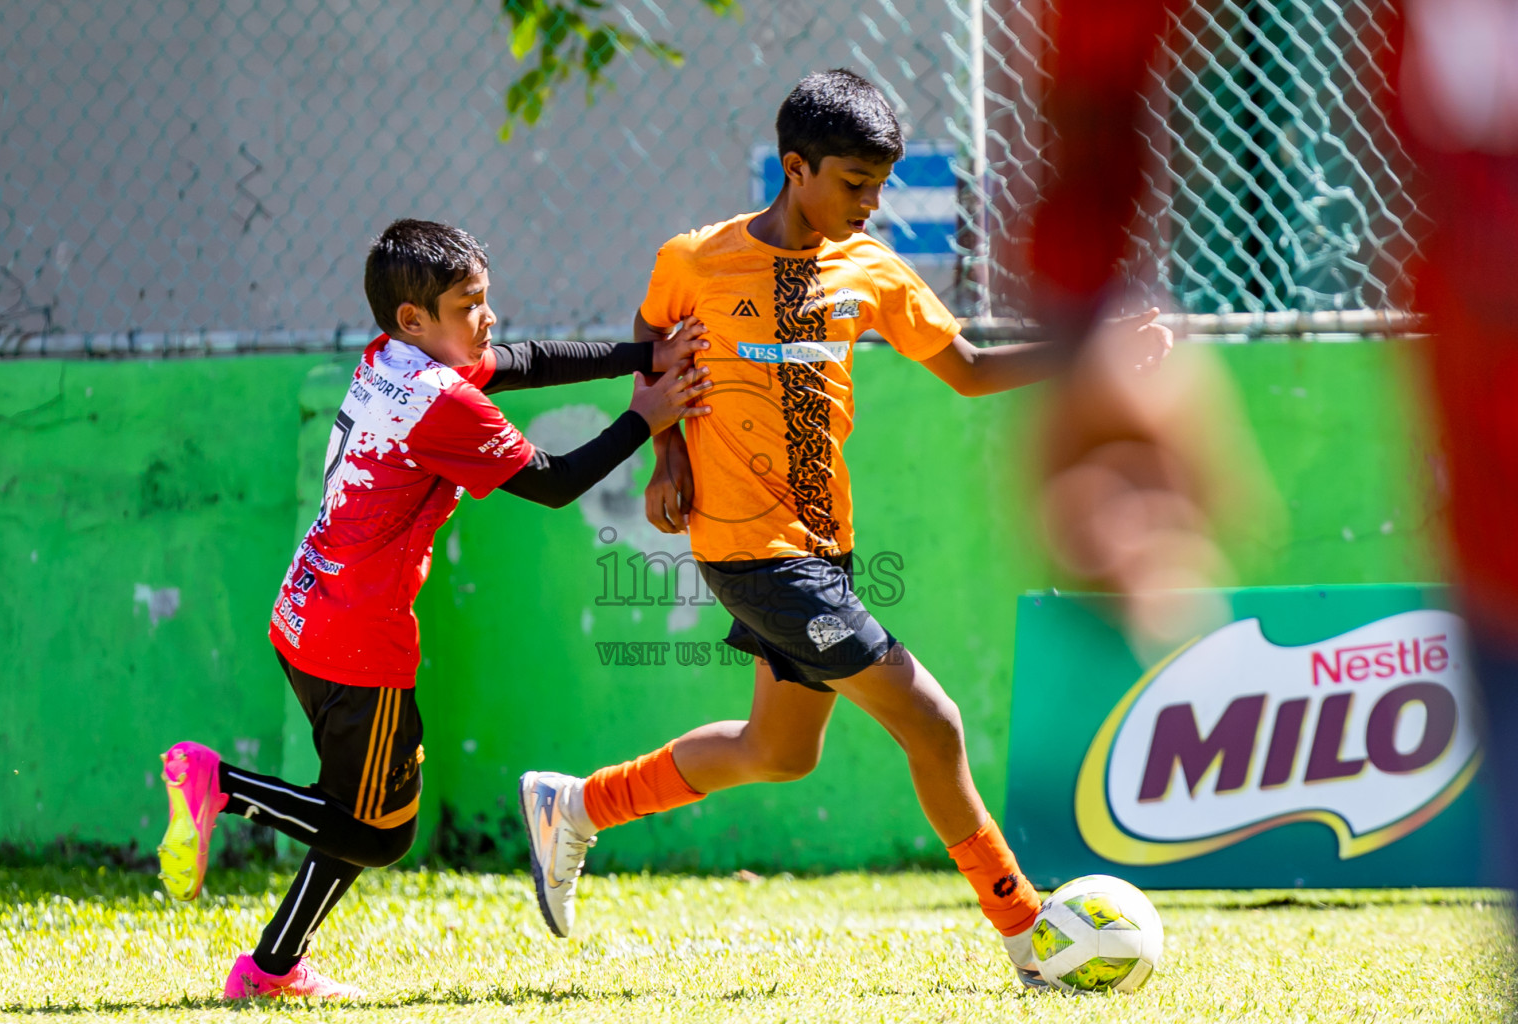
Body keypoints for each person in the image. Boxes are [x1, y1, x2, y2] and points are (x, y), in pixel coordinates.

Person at [516, 70, 1171, 987]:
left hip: (824, 551)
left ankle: (574, 805)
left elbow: (972, 369)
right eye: (855, 185)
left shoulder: (872, 273)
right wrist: (667, 456)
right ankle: (1030, 933)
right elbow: (655, 340)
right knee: (932, 725)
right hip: (752, 554)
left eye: (882, 187)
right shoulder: (695, 259)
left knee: (777, 752)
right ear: (797, 168)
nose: (871, 206)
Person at [154, 218, 713, 1000]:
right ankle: (218, 784)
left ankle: (270, 969)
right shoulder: (437, 401)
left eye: (485, 298)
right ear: (416, 318)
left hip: (308, 613)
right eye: (469, 305)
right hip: (356, 639)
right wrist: (645, 418)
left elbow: (519, 361)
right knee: (381, 833)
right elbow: (552, 482)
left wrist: (641, 357)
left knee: (354, 809)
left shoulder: (390, 359)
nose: (487, 318)